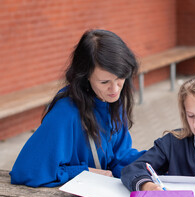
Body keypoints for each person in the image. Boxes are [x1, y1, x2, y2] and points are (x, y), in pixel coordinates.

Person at [10, 29, 145, 187]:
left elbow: (120, 157)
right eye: (104, 82)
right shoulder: (66, 112)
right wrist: (84, 172)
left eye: (120, 78)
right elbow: (26, 171)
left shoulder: (112, 99)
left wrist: (161, 157)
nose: (115, 89)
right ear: (86, 76)